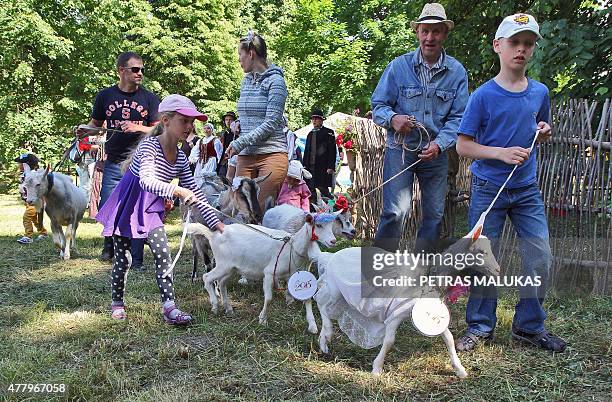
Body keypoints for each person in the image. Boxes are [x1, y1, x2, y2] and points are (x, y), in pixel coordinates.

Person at [455, 13, 566, 352]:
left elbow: (542, 130)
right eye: (514, 42)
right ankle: (480, 326)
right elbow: (463, 145)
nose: (521, 49)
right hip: (489, 188)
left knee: (540, 257)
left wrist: (545, 132)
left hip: (527, 190)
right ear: (497, 46)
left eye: (528, 44)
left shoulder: (539, 92)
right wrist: (500, 154)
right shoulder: (483, 96)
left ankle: (529, 327)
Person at [96, 94, 224, 325]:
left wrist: (215, 223)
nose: (189, 126)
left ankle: (169, 307)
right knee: (123, 258)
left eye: (192, 122)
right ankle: (117, 303)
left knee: (163, 253)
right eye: (184, 121)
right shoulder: (149, 147)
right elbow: (146, 181)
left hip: (150, 209)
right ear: (166, 121)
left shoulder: (182, 159)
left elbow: (196, 193)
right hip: (129, 205)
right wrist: (176, 191)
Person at [371, 3, 468, 253]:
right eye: (425, 31)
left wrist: (439, 144)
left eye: (436, 32)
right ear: (417, 33)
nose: (430, 38)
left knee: (433, 215)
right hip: (400, 150)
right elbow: (378, 104)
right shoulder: (398, 66)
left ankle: (419, 272)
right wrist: (393, 119)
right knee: (394, 211)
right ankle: (379, 268)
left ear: (444, 34)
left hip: (436, 153)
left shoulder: (456, 72)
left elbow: (459, 118)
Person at [80, 51, 160, 268]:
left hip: (140, 162)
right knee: (108, 205)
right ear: (121, 71)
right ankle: (110, 246)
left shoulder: (149, 98)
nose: (140, 73)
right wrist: (83, 131)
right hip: (114, 160)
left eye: (142, 69)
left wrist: (138, 127)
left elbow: (161, 128)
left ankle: (136, 254)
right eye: (135, 69)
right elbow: (95, 123)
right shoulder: (105, 96)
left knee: (137, 207)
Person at [225, 31, 289, 210]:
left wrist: (240, 143)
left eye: (240, 54)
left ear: (251, 54)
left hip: (271, 154)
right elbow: (251, 114)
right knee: (239, 210)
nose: (239, 59)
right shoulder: (246, 81)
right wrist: (239, 123)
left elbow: (270, 123)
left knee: (259, 212)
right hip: (246, 155)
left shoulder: (276, 82)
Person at [303, 108, 338, 203]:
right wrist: (304, 166)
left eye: (317, 118)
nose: (314, 120)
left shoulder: (328, 132)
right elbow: (306, 151)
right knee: (311, 190)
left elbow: (332, 150)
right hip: (310, 168)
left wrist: (331, 166)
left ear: (321, 120)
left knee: (323, 190)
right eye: (313, 118)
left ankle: (329, 208)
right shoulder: (310, 134)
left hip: (323, 167)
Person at [15, 153, 48, 244]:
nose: (18, 165)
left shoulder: (33, 175)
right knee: (34, 219)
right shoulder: (26, 174)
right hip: (29, 202)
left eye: (20, 163)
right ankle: (43, 233)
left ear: (26, 165)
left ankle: (28, 236)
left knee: (26, 217)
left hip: (35, 202)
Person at [190, 122, 223, 188]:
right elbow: (195, 150)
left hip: (211, 161)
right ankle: (199, 192)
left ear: (212, 130)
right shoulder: (200, 141)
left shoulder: (215, 140)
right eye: (204, 128)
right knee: (198, 177)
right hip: (201, 162)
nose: (206, 130)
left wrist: (219, 162)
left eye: (208, 128)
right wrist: (192, 159)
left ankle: (208, 191)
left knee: (208, 177)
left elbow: (219, 152)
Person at [218, 111, 237, 177]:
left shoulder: (238, 133)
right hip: (224, 160)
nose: (228, 122)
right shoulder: (224, 134)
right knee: (222, 177)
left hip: (234, 159)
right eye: (226, 120)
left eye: (230, 119)